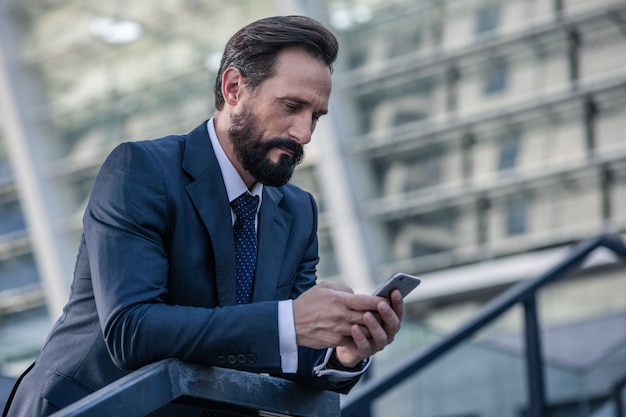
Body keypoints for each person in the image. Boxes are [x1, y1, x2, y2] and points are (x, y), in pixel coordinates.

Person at [3, 15, 404, 417]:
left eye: (316, 116)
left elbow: (284, 345)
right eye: (291, 106)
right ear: (233, 89)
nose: (304, 133)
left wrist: (341, 353)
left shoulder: (298, 211)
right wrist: (291, 320)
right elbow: (131, 330)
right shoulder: (141, 170)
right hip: (90, 407)